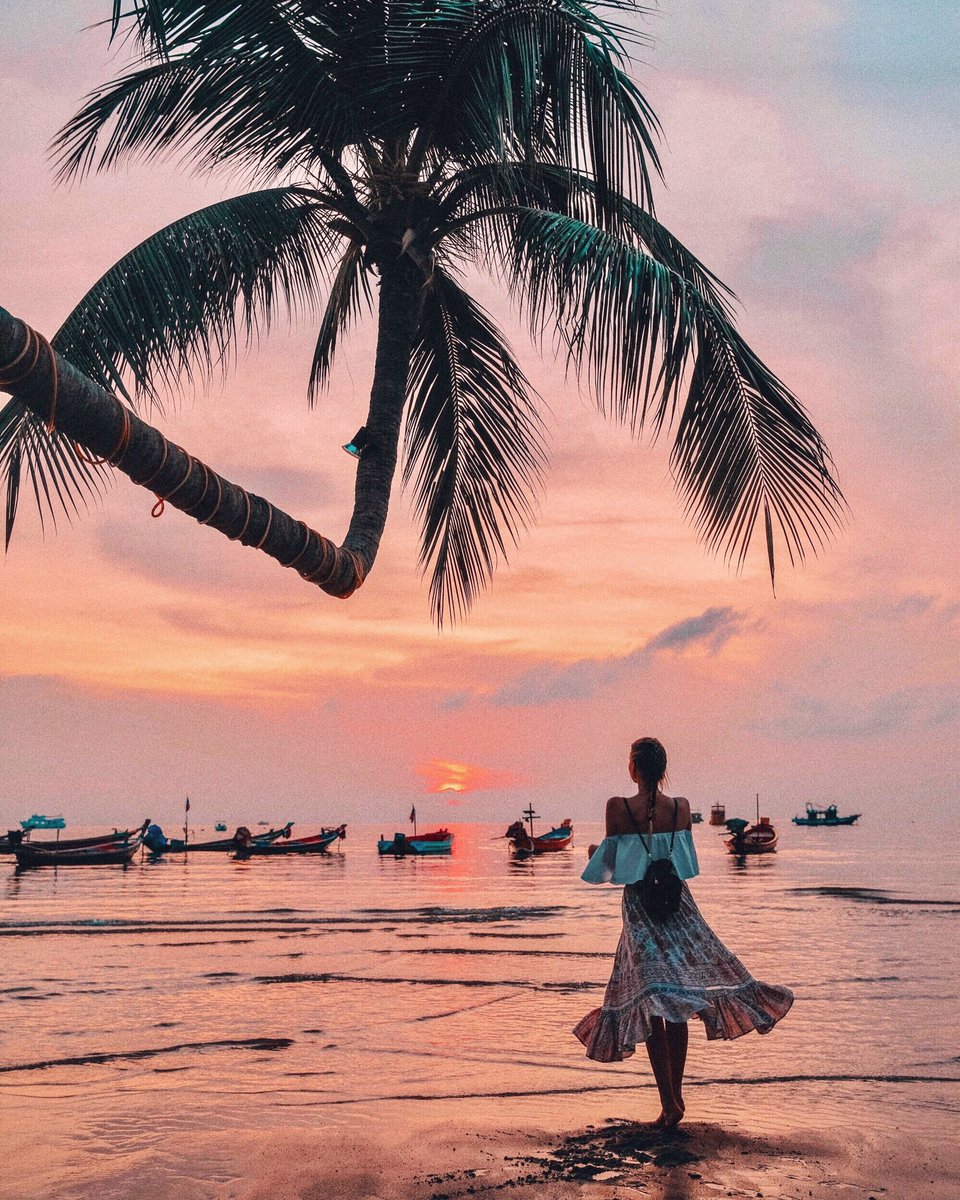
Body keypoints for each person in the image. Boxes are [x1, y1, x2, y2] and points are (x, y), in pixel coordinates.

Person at [573, 737, 793, 1127]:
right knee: (674, 1003)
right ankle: (676, 1100)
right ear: (663, 769)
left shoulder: (617, 807)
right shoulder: (682, 808)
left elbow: (613, 870)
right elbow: (685, 864)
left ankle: (670, 1104)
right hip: (678, 905)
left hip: (641, 909)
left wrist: (595, 850)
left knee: (656, 1002)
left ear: (633, 768)